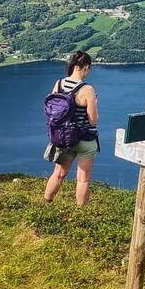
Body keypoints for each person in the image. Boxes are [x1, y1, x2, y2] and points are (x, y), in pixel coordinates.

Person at [44, 50, 100, 206]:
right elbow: (93, 120)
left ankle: (46, 203)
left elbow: (52, 111)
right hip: (84, 139)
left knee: (59, 174)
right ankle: (81, 213)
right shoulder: (87, 89)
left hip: (64, 138)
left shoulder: (59, 83)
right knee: (83, 179)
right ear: (86, 67)